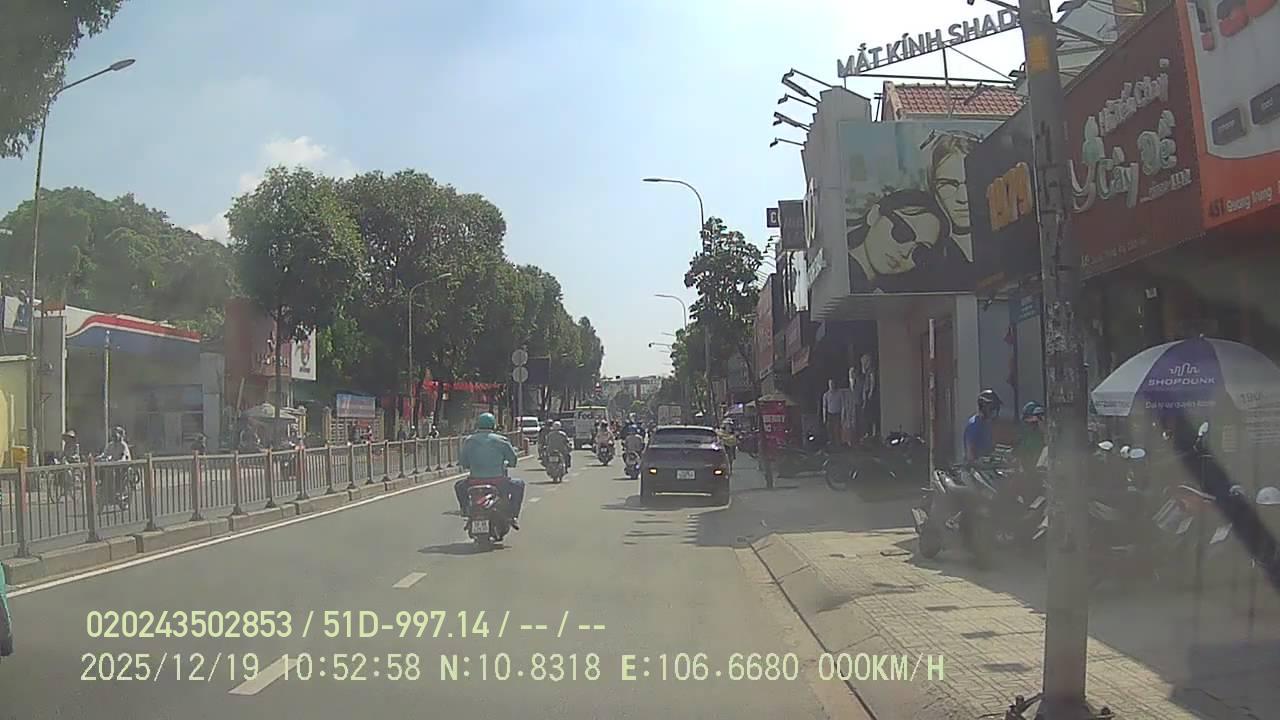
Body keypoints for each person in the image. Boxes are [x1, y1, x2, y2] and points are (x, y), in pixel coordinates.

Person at [454, 412, 524, 529]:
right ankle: (513, 515)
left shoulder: (469, 441)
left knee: (459, 486)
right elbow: (513, 460)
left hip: (474, 482)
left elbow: (463, 462)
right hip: (498, 482)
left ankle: (465, 510)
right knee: (519, 485)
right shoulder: (501, 440)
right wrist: (508, 463)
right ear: (493, 425)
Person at [964, 390, 1002, 463]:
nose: (995, 412)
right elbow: (970, 453)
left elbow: (989, 447)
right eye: (993, 408)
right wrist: (977, 463)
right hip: (976, 467)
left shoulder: (987, 424)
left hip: (987, 465)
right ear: (984, 407)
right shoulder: (973, 425)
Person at [1014, 401, 1047, 472]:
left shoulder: (1049, 442)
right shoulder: (1027, 435)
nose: (1031, 427)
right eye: (1029, 423)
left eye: (1034, 423)